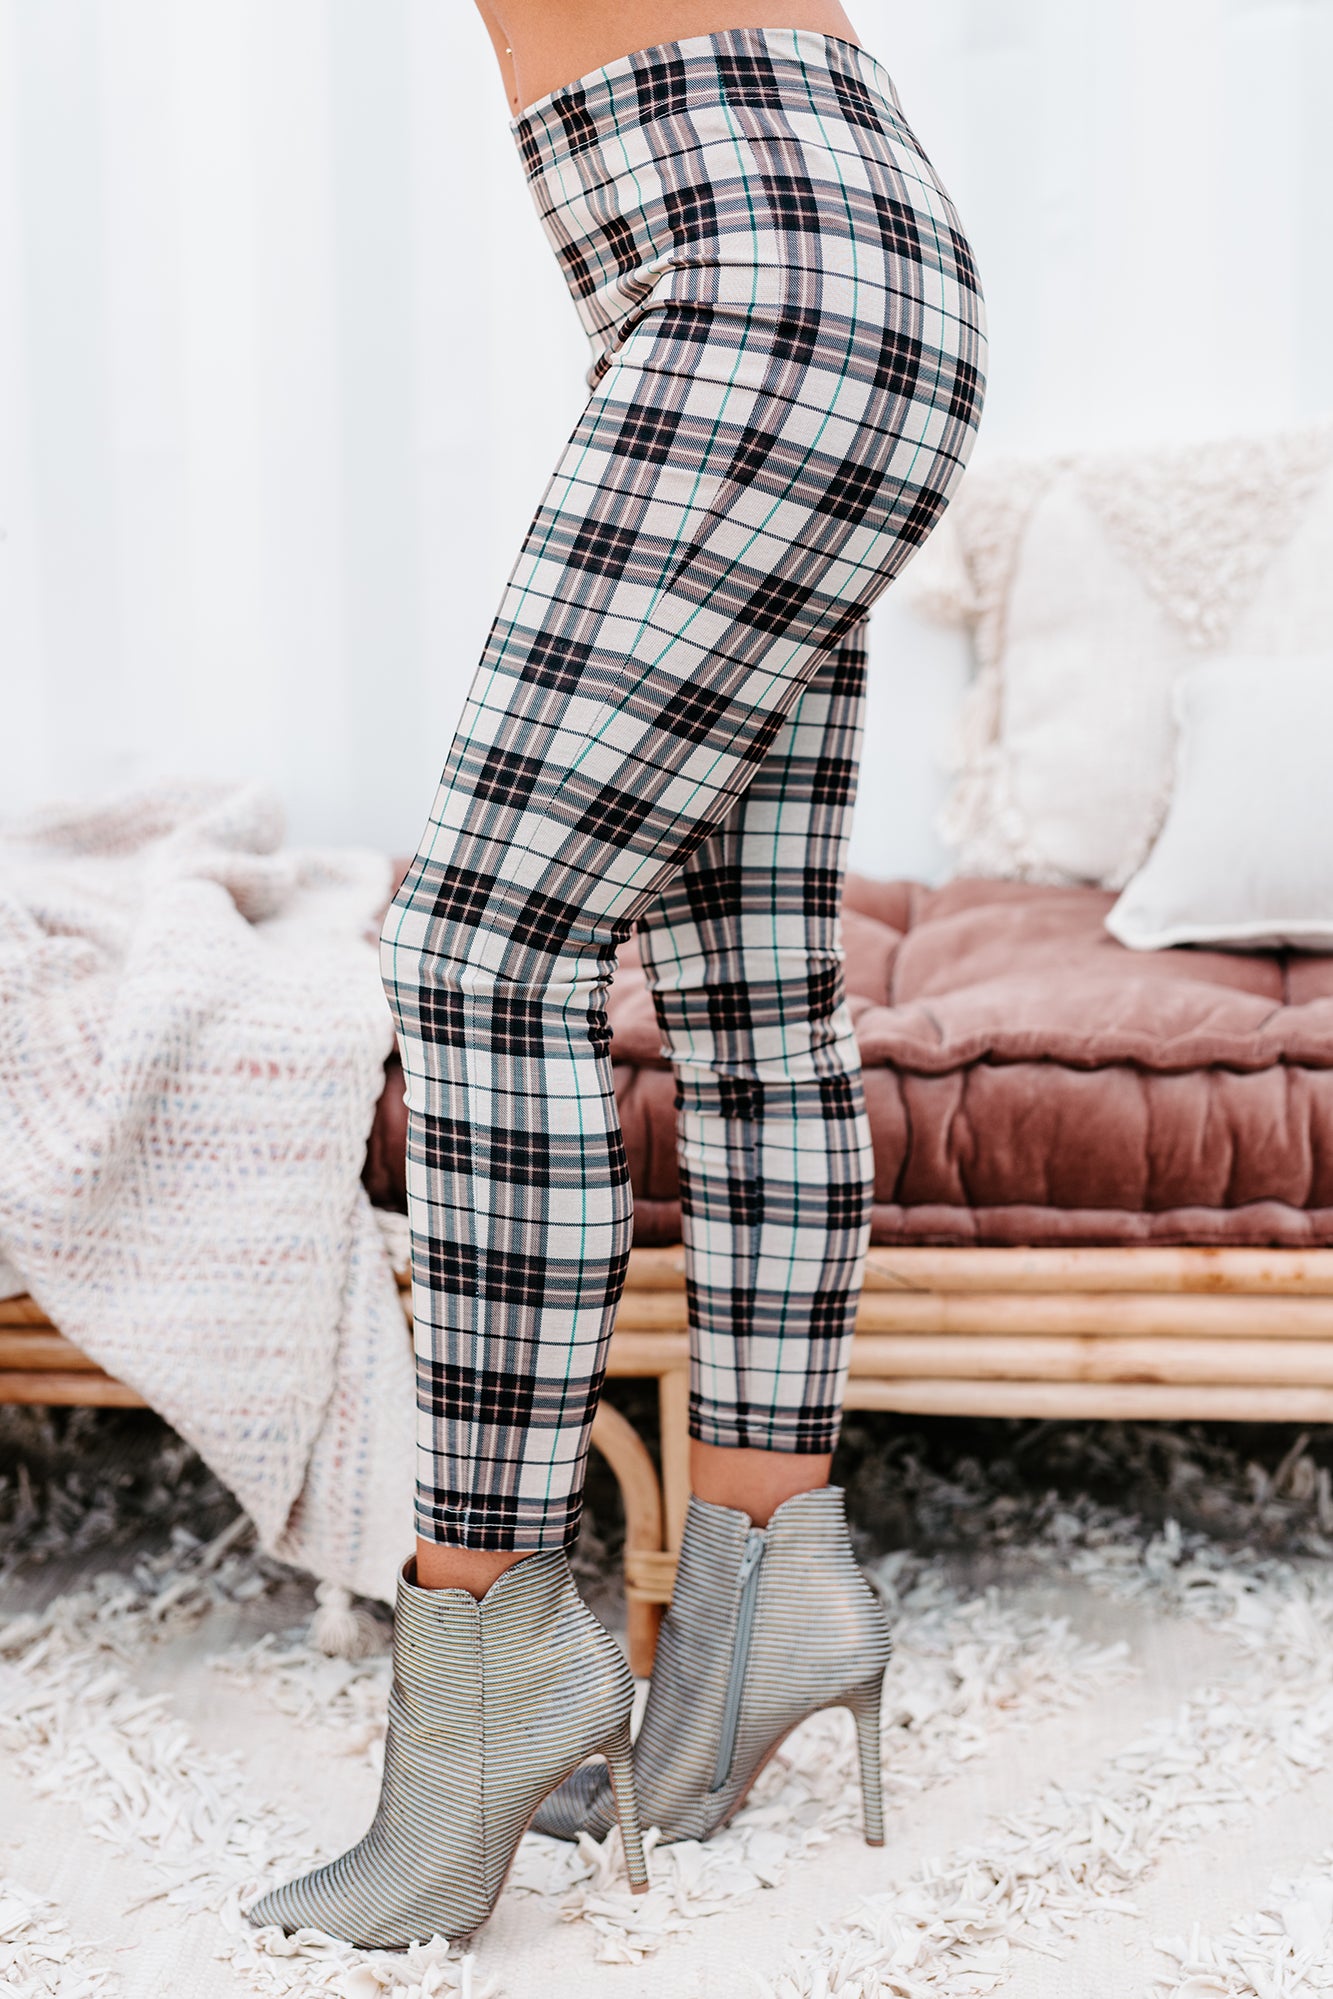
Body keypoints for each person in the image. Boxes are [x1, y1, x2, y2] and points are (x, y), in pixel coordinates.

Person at [248, 1, 985, 1949]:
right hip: (803, 257)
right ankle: (764, 1591)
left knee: (481, 949)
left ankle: (487, 1667)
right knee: (750, 1009)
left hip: (774, 288)